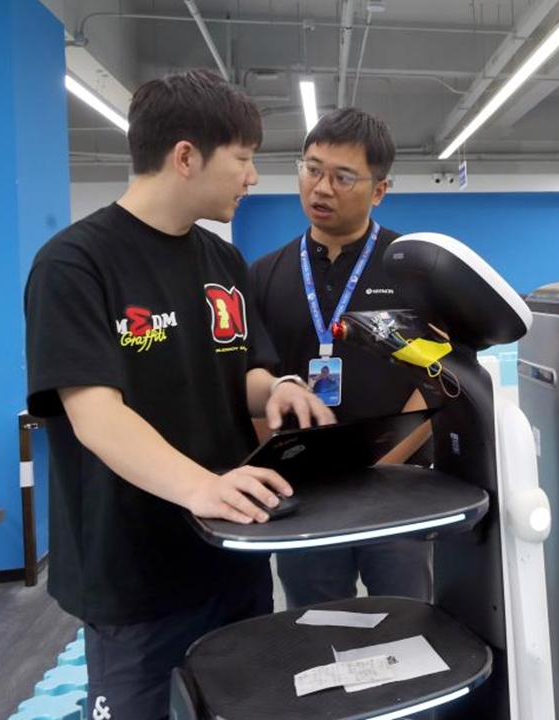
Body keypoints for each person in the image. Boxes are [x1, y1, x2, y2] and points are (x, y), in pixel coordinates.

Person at [24, 69, 335, 720]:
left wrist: (278, 389)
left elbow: (242, 369)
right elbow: (95, 414)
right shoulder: (75, 264)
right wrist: (201, 486)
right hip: (135, 574)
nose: (253, 177)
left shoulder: (224, 264)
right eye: (243, 159)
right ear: (186, 157)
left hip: (232, 552)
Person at [249, 108, 434, 609]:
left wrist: (382, 465)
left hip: (398, 487)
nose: (321, 188)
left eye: (343, 177)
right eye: (312, 170)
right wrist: (279, 464)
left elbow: (439, 378)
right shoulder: (264, 275)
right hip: (305, 491)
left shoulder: (414, 267)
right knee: (314, 622)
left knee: (405, 618)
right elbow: (252, 376)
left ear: (379, 190)